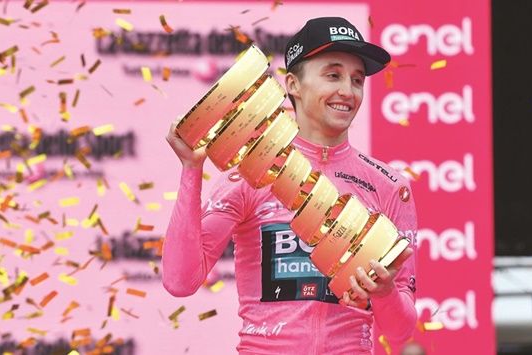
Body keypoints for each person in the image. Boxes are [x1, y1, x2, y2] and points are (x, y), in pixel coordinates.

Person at [163, 16, 418, 355]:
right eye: (333, 74)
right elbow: (180, 282)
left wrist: (384, 293)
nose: (348, 90)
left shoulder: (389, 187)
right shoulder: (250, 174)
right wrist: (191, 169)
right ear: (293, 85)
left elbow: (400, 334)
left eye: (357, 80)